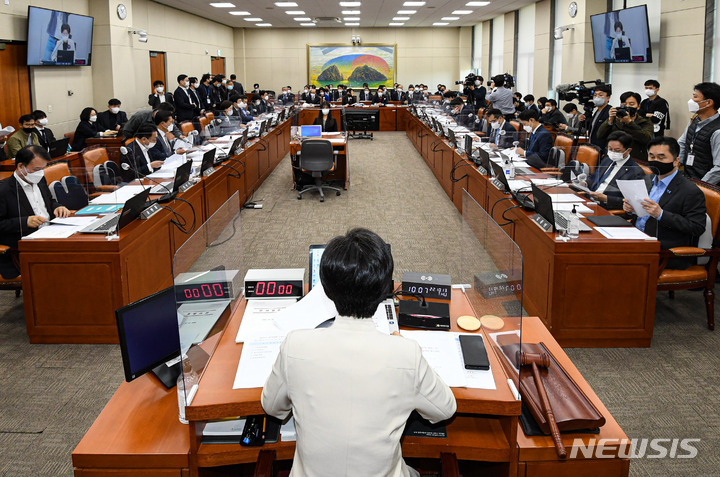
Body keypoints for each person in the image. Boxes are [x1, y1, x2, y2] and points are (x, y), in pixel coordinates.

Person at [262, 228, 456, 477]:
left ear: (328, 290)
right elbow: (445, 409)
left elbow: (272, 407)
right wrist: (402, 347)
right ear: (384, 288)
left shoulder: (294, 346)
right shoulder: (406, 354)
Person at [623, 137, 707, 270]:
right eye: (652, 156)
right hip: (636, 237)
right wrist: (631, 209)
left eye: (661, 157)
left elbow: (697, 227)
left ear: (676, 161)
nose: (655, 161)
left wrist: (661, 214)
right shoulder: (647, 180)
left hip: (665, 250)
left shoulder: (690, 191)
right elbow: (641, 213)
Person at [0, 145, 70, 279]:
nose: (40, 173)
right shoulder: (4, 191)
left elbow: (49, 201)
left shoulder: (39, 179)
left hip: (52, 233)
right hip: (25, 246)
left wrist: (57, 206)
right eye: (37, 169)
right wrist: (25, 222)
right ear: (21, 166)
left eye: (43, 169)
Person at [585, 131, 646, 210]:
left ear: (628, 151)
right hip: (590, 200)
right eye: (610, 149)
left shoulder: (635, 171)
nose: (613, 153)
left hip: (607, 208)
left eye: (617, 150)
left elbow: (633, 202)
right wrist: (584, 183)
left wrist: (606, 199)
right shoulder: (607, 160)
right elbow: (594, 178)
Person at [678, 82, 720, 184]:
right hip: (688, 177)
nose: (691, 101)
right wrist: (676, 164)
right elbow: (682, 143)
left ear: (708, 102)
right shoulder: (694, 120)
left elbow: (718, 168)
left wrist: (700, 187)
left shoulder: (717, 131)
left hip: (706, 185)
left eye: (695, 97)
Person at [597, 91, 654, 161]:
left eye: (631, 104)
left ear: (638, 106)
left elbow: (647, 139)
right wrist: (610, 121)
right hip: (613, 157)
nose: (628, 106)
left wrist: (630, 123)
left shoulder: (645, 121)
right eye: (624, 104)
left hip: (635, 159)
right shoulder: (615, 119)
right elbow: (600, 135)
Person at [579, 84, 612, 150]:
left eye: (600, 95)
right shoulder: (596, 112)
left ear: (608, 98)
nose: (597, 97)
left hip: (602, 148)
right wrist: (583, 121)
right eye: (595, 95)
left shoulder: (610, 112)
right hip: (593, 146)